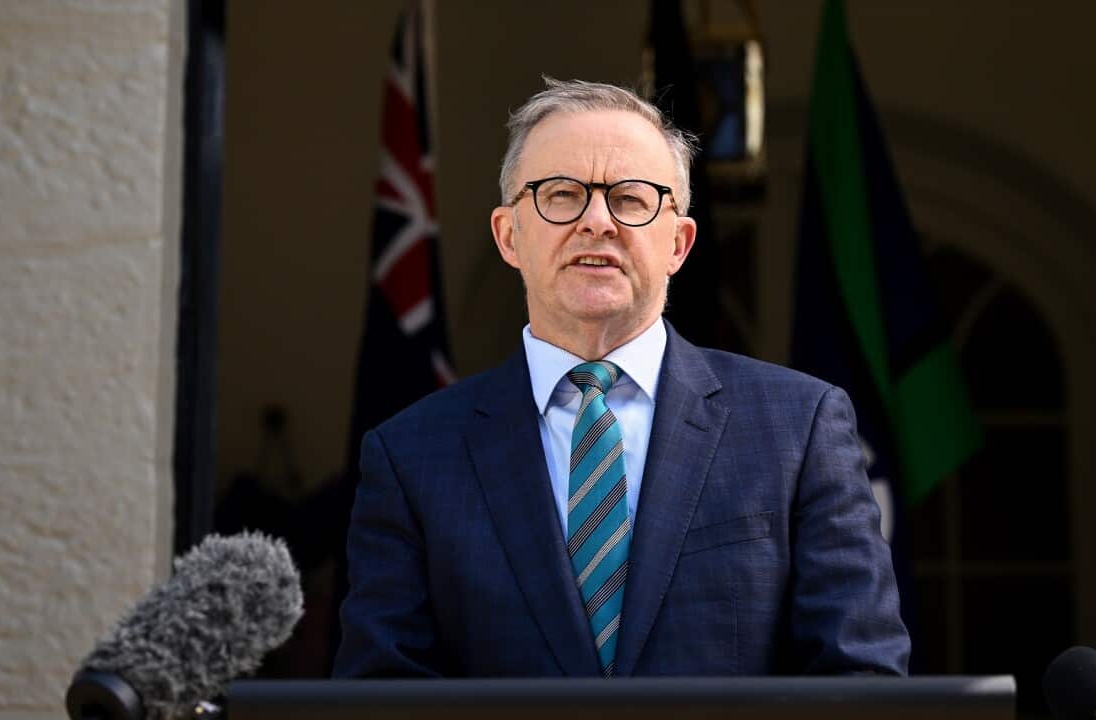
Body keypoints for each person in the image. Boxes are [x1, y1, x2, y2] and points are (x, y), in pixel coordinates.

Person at [334, 78, 909, 678]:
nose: (597, 222)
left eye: (631, 199)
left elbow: (860, 684)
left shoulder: (800, 428)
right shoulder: (410, 457)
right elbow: (383, 699)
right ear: (508, 236)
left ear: (679, 244)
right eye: (561, 195)